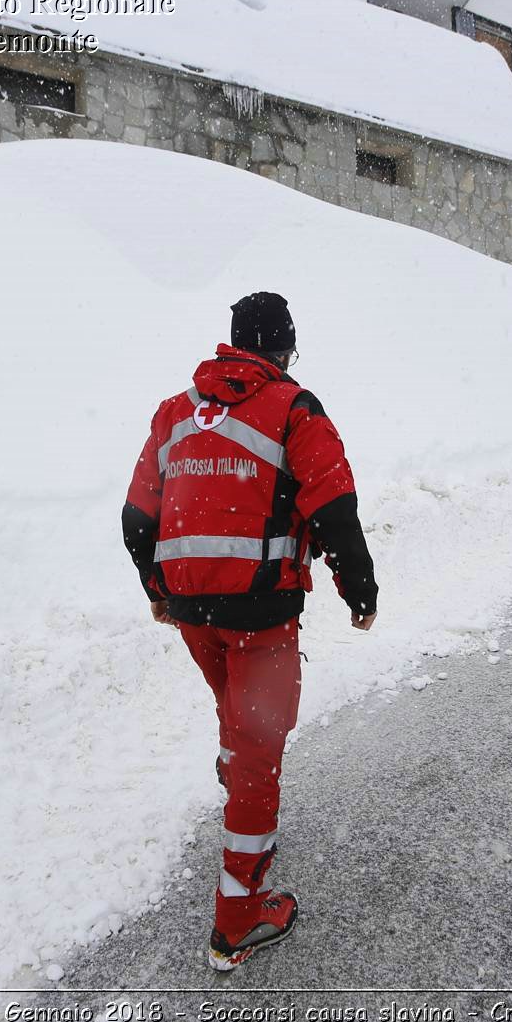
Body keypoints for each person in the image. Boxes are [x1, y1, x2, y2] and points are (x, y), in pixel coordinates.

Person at [122, 291, 378, 971]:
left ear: (234, 345)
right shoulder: (294, 409)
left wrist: (157, 588)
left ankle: (239, 776)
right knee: (261, 744)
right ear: (284, 350)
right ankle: (239, 918)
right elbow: (336, 514)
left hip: (191, 608)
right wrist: (360, 590)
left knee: (237, 718)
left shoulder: (176, 412)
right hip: (262, 611)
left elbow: (136, 521)